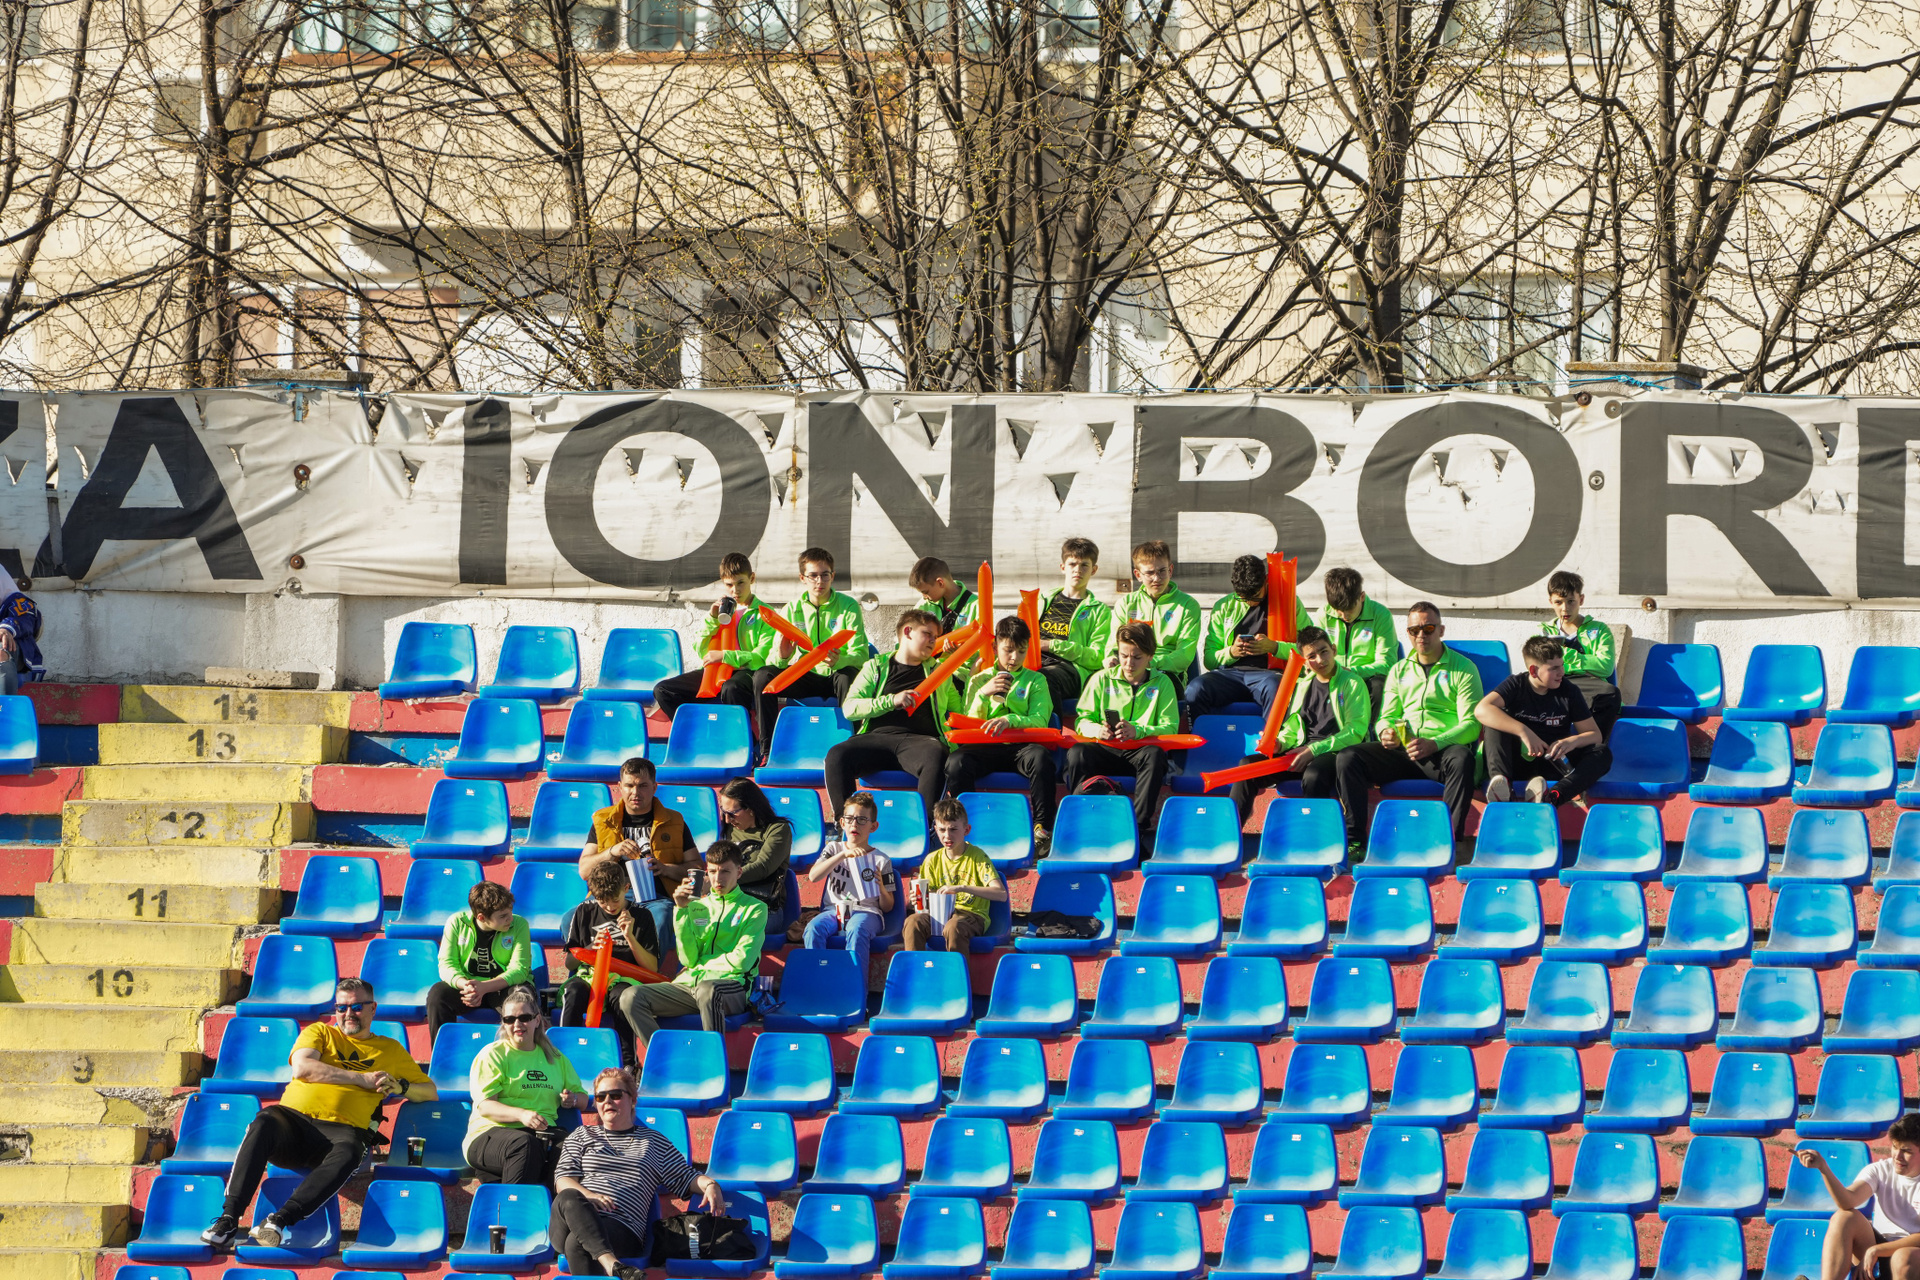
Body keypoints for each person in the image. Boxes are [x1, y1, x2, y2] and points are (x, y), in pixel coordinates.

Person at [201, 978, 434, 1250]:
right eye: (341, 1008)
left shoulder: (390, 1049)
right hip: (293, 1124)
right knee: (264, 1121)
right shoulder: (320, 1032)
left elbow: (430, 1092)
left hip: (342, 1134)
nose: (348, 1014)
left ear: (373, 1008)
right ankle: (229, 1219)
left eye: (357, 1007)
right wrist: (362, 1079)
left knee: (352, 1150)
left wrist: (402, 1087)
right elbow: (303, 1068)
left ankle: (279, 1221)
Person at [551, 1065, 729, 1279]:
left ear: (633, 1099)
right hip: (570, 1218)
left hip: (622, 1226)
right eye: (600, 1097)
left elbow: (685, 1177)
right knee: (569, 1196)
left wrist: (710, 1184)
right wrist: (590, 1196)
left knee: (576, 1243)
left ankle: (609, 1262)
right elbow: (563, 1180)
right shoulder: (581, 1135)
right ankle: (612, 1265)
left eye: (615, 1095)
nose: (607, 1101)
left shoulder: (653, 1142)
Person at [1333, 602, 1482, 850]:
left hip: (1442, 751)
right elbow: (1387, 716)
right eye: (1414, 630)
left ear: (1441, 630)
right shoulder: (1399, 669)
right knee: (1348, 758)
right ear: (1408, 633)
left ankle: (1447, 844)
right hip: (1404, 749)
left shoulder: (1464, 668)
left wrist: (1435, 743)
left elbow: (1472, 725)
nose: (1421, 635)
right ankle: (1355, 840)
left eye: (1428, 628)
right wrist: (1386, 732)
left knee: (1462, 758)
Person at [619, 841, 767, 1043]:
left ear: (739, 872)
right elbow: (688, 959)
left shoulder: (755, 908)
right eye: (712, 871)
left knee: (708, 990)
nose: (718, 878)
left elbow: (742, 961)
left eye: (725, 871)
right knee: (630, 997)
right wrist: (681, 910)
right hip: (691, 985)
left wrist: (703, 965)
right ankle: (666, 1054)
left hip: (733, 987)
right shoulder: (697, 906)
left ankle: (711, 1057)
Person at [824, 610, 963, 820]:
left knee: (937, 753)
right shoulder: (875, 667)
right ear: (907, 632)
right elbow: (850, 708)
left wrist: (975, 676)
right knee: (836, 755)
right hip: (876, 739)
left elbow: (960, 710)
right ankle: (844, 822)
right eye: (927, 634)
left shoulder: (940, 671)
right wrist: (891, 700)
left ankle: (926, 826)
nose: (933, 641)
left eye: (935, 637)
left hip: (920, 742)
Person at [1226, 626, 1371, 825]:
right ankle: (1231, 832)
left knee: (1314, 775)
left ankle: (1313, 835)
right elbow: (1294, 727)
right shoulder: (1303, 684)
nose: (1320, 660)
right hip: (1301, 753)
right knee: (1247, 766)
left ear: (1334, 649)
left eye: (1324, 652)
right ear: (1305, 661)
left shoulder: (1353, 683)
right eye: (1312, 656)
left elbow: (1355, 732)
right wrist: (1279, 743)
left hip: (1334, 754)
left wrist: (1313, 750)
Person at [463, 984, 592, 1186]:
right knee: (525, 1144)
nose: (517, 1024)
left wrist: (572, 1099)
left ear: (537, 1020)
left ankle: (556, 1204)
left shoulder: (555, 1058)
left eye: (524, 1018)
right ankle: (514, 1204)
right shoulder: (493, 1054)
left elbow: (583, 1100)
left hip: (540, 1133)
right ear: (504, 1023)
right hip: (490, 1133)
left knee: (571, 1148)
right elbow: (485, 1106)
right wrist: (522, 1115)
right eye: (509, 1019)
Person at [652, 553, 779, 758]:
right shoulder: (720, 610)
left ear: (752, 579)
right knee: (663, 690)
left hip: (745, 671)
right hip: (715, 670)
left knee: (731, 688)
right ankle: (699, 737)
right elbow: (701, 649)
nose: (735, 590)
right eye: (729, 585)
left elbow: (761, 657)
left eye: (741, 583)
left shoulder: (764, 612)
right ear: (723, 583)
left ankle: (745, 745)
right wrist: (712, 618)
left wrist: (726, 656)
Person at [944, 615, 1059, 840]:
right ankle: (965, 825)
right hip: (985, 746)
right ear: (995, 647)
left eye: (1021, 651)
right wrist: (983, 695)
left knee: (1040, 758)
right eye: (1008, 650)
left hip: (1021, 745)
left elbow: (1040, 720)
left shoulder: (1036, 680)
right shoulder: (979, 680)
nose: (1015, 657)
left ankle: (1042, 828)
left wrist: (1010, 720)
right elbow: (969, 725)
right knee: (956, 762)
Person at [1067, 621, 1181, 838]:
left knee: (1155, 755)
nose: (1129, 663)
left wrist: (1137, 730)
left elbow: (1171, 727)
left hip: (1140, 752)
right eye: (1123, 655)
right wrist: (1097, 730)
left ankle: (1137, 828)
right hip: (1106, 748)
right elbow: (1082, 721)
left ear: (1150, 656)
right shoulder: (1100, 678)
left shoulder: (1163, 683)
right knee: (1078, 753)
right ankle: (1080, 817)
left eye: (1137, 657)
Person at [1476, 636, 1613, 806]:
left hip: (1553, 762)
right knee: (1494, 722)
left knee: (1602, 753)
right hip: (1518, 762)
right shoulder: (1516, 684)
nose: (1562, 672)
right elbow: (1481, 709)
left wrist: (1572, 741)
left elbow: (1595, 735)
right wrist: (1524, 732)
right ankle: (1502, 787)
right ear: (1533, 671)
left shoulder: (1569, 691)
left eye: (1562, 665)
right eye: (1554, 668)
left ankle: (1553, 797)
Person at [752, 548, 871, 735]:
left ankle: (852, 742)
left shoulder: (849, 606)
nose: (819, 581)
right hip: (805, 675)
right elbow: (772, 660)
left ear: (833, 576)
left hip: (837, 675)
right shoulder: (792, 609)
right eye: (813, 576)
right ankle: (767, 746)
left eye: (825, 575)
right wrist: (782, 656)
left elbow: (862, 656)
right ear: (802, 578)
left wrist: (840, 661)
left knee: (847, 677)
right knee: (762, 676)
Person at [558, 859, 663, 1062]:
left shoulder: (642, 915)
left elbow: (651, 968)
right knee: (573, 991)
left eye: (615, 900)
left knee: (623, 997)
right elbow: (569, 963)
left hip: (626, 978)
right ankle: (566, 1058)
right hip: (590, 976)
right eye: (602, 901)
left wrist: (630, 937)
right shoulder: (584, 911)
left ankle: (628, 1063)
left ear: (626, 888)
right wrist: (590, 948)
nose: (609, 906)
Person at [1188, 553, 1313, 719]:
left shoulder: (1289, 603)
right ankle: (1200, 734)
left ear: (1265, 581)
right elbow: (1210, 660)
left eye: (1255, 596)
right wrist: (1231, 652)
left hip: (1268, 674)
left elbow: (1310, 649)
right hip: (1230, 675)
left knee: (1275, 687)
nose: (1250, 602)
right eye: (1243, 598)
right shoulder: (1223, 607)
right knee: (1196, 688)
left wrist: (1274, 647)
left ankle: (1271, 736)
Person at [1798, 1113, 1920, 1280]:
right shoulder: (1880, 1170)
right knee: (1844, 1217)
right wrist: (1823, 1168)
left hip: (1910, 1253)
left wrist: (1876, 1250)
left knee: (1903, 1257)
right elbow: (1847, 1201)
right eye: (1894, 1147)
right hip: (1878, 1246)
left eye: (1906, 1151)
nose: (1897, 1156)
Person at [427, 879, 536, 1044]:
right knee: (438, 995)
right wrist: (466, 985)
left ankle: (521, 1051)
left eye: (510, 912)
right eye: (503, 916)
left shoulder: (519, 924)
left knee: (521, 997)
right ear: (481, 917)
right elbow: (446, 965)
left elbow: (519, 969)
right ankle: (442, 1052)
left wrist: (484, 987)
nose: (510, 919)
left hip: (503, 987)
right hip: (469, 988)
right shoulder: (456, 923)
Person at [804, 791, 897, 979]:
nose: (855, 824)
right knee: (813, 929)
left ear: (873, 826)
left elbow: (888, 906)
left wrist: (881, 888)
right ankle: (818, 982)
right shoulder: (833, 849)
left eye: (862, 820)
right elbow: (813, 876)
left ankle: (855, 987)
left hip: (867, 912)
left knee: (857, 929)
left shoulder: (882, 860)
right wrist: (842, 855)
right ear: (842, 822)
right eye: (850, 819)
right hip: (833, 910)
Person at [903, 798, 1007, 951]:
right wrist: (916, 899)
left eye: (953, 829)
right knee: (913, 922)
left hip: (970, 915)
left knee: (954, 927)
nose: (947, 836)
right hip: (938, 915)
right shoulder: (931, 860)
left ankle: (957, 967)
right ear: (935, 829)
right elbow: (925, 900)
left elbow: (1001, 894)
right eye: (942, 830)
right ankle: (916, 965)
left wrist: (962, 888)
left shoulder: (978, 857)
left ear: (966, 830)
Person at [579, 756, 694, 889]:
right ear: (620, 787)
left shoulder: (674, 820)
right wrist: (612, 852)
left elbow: (696, 869)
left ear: (654, 787)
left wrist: (666, 869)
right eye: (629, 786)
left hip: (658, 896)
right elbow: (584, 871)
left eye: (643, 786)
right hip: (609, 896)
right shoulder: (603, 820)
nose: (635, 792)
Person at [1540, 570, 1621, 738]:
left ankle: (1594, 746)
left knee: (1610, 694)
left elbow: (1605, 668)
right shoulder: (1544, 632)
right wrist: (1587, 664)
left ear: (1581, 600)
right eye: (1558, 602)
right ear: (1551, 602)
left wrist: (1565, 654)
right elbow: (1539, 668)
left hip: (1588, 685)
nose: (1565, 608)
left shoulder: (1599, 630)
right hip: (1555, 684)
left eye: (1571, 601)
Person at [1108, 540, 1201, 685]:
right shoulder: (1125, 604)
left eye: (1162, 571)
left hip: (1168, 674)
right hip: (1129, 668)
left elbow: (1184, 655)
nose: (1157, 578)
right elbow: (1113, 646)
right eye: (1150, 573)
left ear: (1170, 570)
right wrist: (1111, 659)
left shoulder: (1188, 605)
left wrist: (1149, 664)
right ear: (1138, 575)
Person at [1035, 537, 1112, 709]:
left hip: (1069, 669)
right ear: (1063, 567)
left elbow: (1097, 657)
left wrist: (1050, 645)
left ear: (1094, 570)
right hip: (1031, 661)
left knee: (1044, 679)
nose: (1078, 570)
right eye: (1072, 564)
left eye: (1084, 565)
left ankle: (1051, 727)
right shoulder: (1041, 600)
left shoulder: (1100, 611)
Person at [1319, 566, 1397, 719]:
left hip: (1366, 678)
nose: (1344, 615)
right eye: (1338, 610)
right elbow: (1315, 651)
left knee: (1379, 685)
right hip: (1333, 677)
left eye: (1349, 609)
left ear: (1362, 597)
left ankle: (1370, 731)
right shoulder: (1324, 613)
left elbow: (1387, 664)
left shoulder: (1381, 615)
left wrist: (1352, 671)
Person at [717, 776, 791, 916]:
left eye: (732, 813)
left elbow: (763, 867)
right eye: (724, 812)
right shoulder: (729, 828)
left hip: (763, 905)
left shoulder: (777, 829)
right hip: (729, 902)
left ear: (751, 809)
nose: (727, 819)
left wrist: (723, 879)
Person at [909, 556, 979, 637]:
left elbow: (984, 641)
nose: (924, 597)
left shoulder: (977, 605)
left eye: (926, 592)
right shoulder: (923, 604)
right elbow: (907, 637)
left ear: (940, 583)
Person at [0, 566, 43, 695]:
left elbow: (26, 620)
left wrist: (6, 629)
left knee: (1, 648)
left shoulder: (17, 601)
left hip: (18, 658)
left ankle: (5, 705)